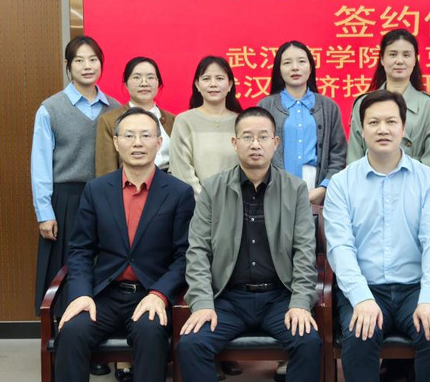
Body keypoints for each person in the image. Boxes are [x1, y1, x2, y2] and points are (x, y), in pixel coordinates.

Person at [177, 107, 321, 382]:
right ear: (234, 143)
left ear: (275, 143)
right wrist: (203, 302)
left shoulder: (294, 189)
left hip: (279, 297)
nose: (255, 144)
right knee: (192, 344)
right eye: (247, 137)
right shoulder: (213, 188)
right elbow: (197, 252)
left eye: (263, 137)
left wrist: (301, 302)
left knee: (308, 341)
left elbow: (305, 252)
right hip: (228, 299)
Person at [54, 108, 194, 382]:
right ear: (116, 143)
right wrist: (81, 293)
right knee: (71, 330)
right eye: (129, 136)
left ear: (159, 142)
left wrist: (160, 293)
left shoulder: (179, 193)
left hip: (150, 292)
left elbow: (184, 256)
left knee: (150, 332)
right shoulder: (96, 190)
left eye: (146, 136)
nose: (137, 143)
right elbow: (81, 250)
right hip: (104, 293)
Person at [325, 90, 430, 382]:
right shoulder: (342, 183)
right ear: (361, 130)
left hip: (414, 289)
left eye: (391, 122)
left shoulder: (428, 180)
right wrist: (361, 298)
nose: (382, 129)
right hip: (366, 287)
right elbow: (340, 247)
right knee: (359, 335)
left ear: (404, 128)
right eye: (373, 122)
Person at [31, 35, 122, 320]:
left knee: (104, 263)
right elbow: (40, 164)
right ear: (68, 65)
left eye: (93, 60)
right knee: (66, 266)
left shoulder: (115, 108)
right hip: (67, 199)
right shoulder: (50, 108)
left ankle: (98, 327)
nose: (87, 66)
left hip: (107, 197)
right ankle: (62, 331)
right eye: (79, 60)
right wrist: (45, 212)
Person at [258, 40, 346, 205]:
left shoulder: (328, 107)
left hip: (315, 187)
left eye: (301, 61)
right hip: (274, 188)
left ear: (310, 67)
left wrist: (324, 187)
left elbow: (338, 154)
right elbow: (257, 151)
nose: (295, 67)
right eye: (287, 63)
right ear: (279, 69)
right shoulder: (266, 106)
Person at [347, 29, 430, 171]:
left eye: (406, 55)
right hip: (369, 180)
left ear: (415, 60)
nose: (399, 61)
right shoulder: (363, 103)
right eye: (392, 54)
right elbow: (354, 155)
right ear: (382, 59)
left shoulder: (428, 105)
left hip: (415, 180)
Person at [170, 56, 243, 197]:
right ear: (197, 85)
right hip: (196, 205)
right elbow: (181, 170)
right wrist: (205, 202)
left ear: (230, 85)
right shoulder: (184, 121)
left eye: (219, 78)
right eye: (206, 79)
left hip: (236, 203)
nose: (213, 84)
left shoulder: (241, 122)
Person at [95, 56, 175, 176]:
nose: (144, 83)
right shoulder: (109, 121)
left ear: (158, 83)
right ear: (126, 84)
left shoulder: (173, 120)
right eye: (137, 77)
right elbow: (106, 171)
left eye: (150, 77)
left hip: (169, 183)